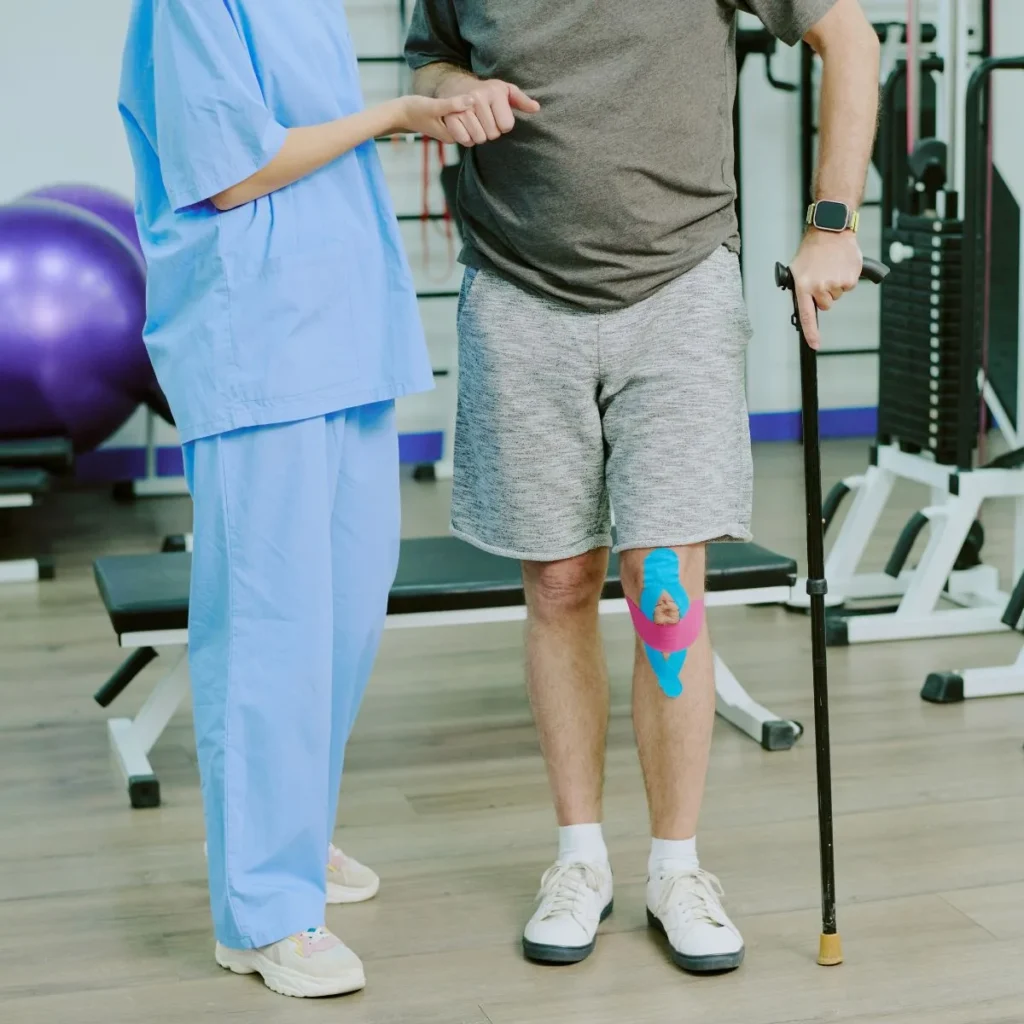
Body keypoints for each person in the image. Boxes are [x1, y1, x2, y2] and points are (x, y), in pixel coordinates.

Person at [406, 0, 879, 973]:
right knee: (558, 583)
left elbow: (849, 36)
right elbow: (431, 64)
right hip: (515, 287)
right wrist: (458, 94)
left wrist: (832, 222)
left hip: (677, 283)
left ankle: (677, 867)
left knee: (665, 584)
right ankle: (580, 859)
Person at [118, 0, 471, 1000]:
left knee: (345, 616)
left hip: (346, 329)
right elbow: (232, 172)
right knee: (269, 631)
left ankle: (290, 837)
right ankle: (263, 910)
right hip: (259, 337)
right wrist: (394, 114)